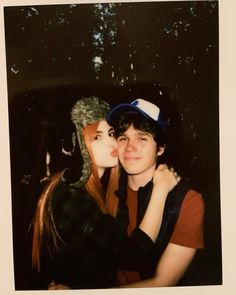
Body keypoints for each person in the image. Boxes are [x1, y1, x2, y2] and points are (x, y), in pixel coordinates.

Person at [32, 96, 180, 289]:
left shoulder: (100, 189)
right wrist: (160, 190)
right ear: (77, 144)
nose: (112, 143)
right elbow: (135, 255)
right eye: (97, 137)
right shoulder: (70, 196)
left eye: (111, 134)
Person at [107, 98, 205, 287]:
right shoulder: (106, 191)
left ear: (160, 148)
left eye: (142, 138)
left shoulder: (188, 200)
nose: (129, 147)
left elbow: (163, 283)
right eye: (123, 138)